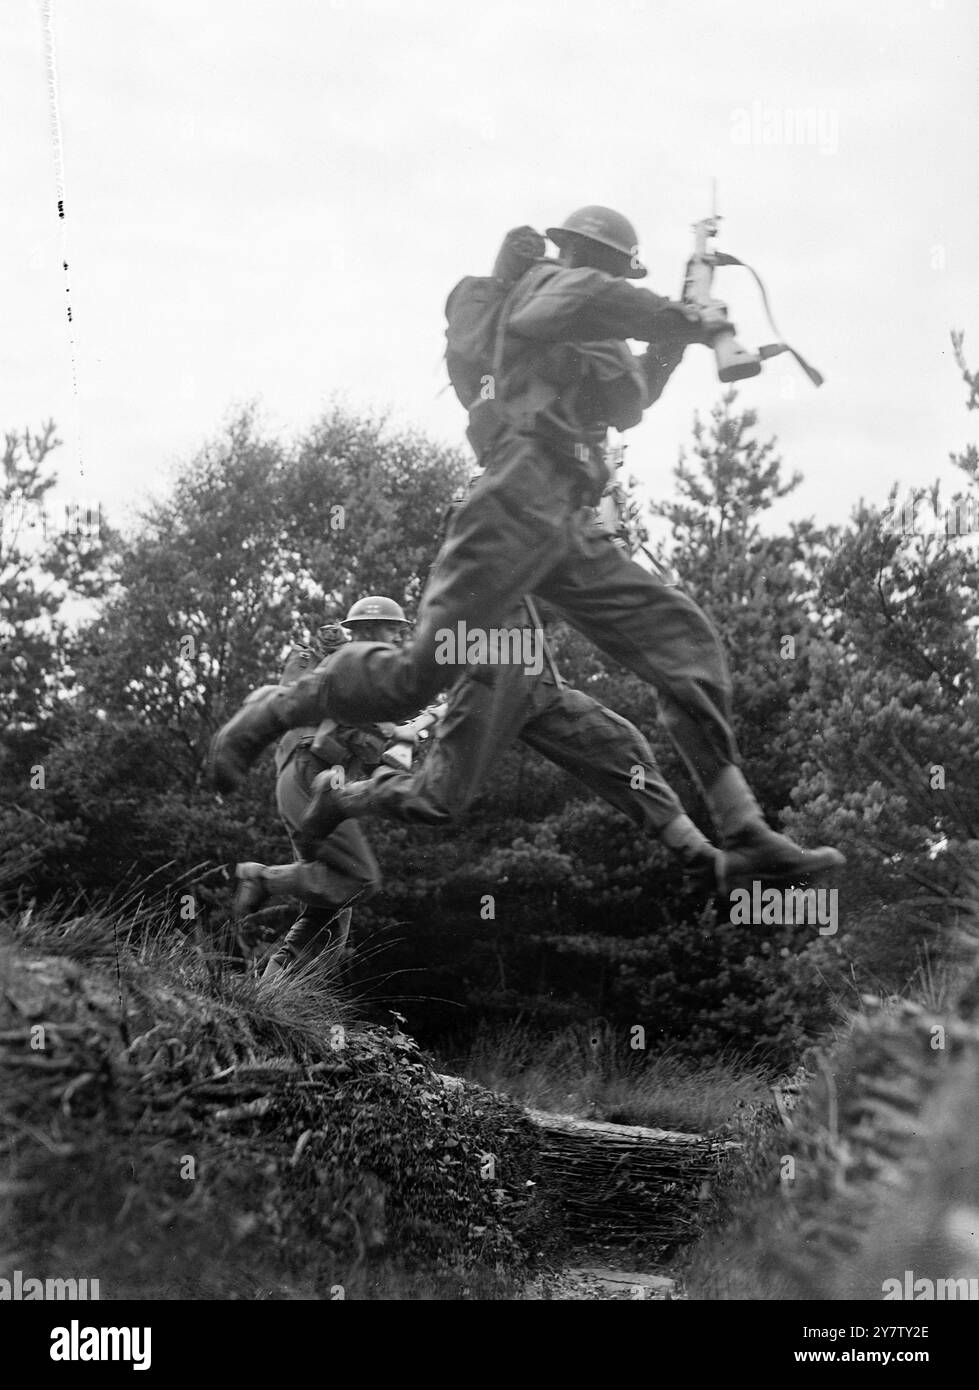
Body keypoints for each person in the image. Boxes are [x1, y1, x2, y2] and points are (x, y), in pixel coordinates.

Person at [210, 209, 843, 884]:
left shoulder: (589, 320)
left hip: (568, 511)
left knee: (683, 641)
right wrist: (686, 315)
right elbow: (578, 302)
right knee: (411, 681)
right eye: (605, 266)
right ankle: (272, 711)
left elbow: (628, 400)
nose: (607, 278)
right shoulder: (548, 287)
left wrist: (677, 336)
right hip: (515, 494)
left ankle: (741, 830)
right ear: (581, 256)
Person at [234, 596, 414, 982]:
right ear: (364, 631)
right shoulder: (351, 666)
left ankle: (271, 995)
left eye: (400, 630)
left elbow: (368, 750)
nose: (399, 638)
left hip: (309, 784)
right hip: (309, 778)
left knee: (329, 907)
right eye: (391, 629)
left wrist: (402, 739)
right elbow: (357, 729)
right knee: (360, 879)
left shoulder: (356, 671)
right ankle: (263, 878)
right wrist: (399, 734)